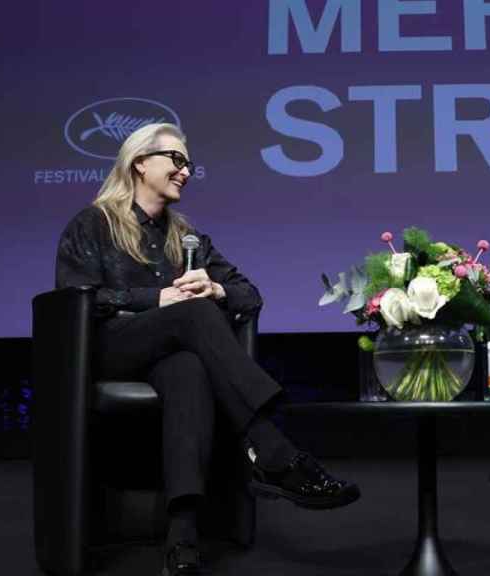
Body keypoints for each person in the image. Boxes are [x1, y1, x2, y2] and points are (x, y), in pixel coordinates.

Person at [55, 123, 360, 576]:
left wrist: (215, 286)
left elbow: (248, 295)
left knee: (189, 369)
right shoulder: (95, 222)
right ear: (141, 162)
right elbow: (77, 295)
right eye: (176, 160)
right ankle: (271, 449)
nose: (185, 171)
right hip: (109, 348)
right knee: (192, 313)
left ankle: (182, 540)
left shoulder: (187, 236)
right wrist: (155, 299)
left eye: (189, 164)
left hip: (168, 356)